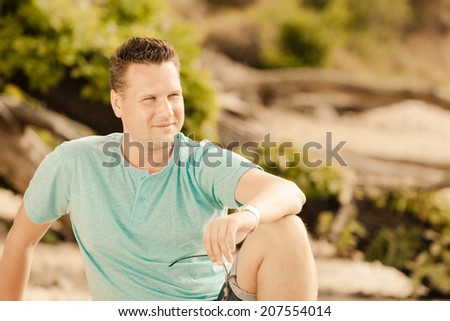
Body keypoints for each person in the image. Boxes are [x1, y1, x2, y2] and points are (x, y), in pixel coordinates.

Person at [0, 37, 318, 301]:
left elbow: (288, 191)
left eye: (173, 95)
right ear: (117, 103)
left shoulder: (202, 162)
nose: (166, 111)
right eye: (150, 98)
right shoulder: (73, 163)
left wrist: (248, 215)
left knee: (285, 229)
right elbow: (20, 241)